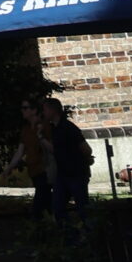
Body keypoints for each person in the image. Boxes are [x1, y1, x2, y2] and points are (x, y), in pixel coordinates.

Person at [44, 96, 93, 234]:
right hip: (63, 174)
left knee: (82, 207)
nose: (44, 113)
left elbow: (86, 149)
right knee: (58, 206)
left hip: (76, 173)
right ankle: (69, 234)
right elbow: (56, 150)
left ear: (53, 110)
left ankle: (90, 234)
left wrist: (83, 159)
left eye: (46, 110)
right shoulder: (56, 129)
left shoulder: (68, 128)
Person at [11, 97, 51, 216]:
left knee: (39, 204)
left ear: (34, 110)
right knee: (47, 202)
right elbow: (20, 151)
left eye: (25, 108)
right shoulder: (27, 129)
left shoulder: (45, 126)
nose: (22, 111)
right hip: (34, 170)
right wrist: (9, 168)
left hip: (45, 169)